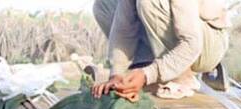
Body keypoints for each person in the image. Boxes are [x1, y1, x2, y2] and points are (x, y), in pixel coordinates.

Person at [91, 0, 230, 101]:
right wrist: (117, 74)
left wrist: (148, 75)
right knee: (104, 5)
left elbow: (192, 43)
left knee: (148, 2)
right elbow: (123, 29)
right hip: (183, 39)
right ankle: (143, 68)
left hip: (205, 46)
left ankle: (183, 77)